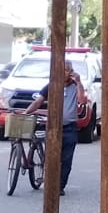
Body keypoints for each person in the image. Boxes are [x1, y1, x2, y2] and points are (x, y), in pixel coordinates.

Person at [23, 61, 86, 193]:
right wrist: (26, 112)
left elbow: (82, 100)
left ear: (71, 72)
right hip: (53, 127)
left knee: (66, 159)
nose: (63, 73)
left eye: (66, 70)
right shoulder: (51, 86)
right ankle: (50, 183)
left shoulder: (75, 86)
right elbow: (38, 101)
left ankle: (60, 187)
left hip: (70, 128)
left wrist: (79, 82)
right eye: (61, 70)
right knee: (52, 157)